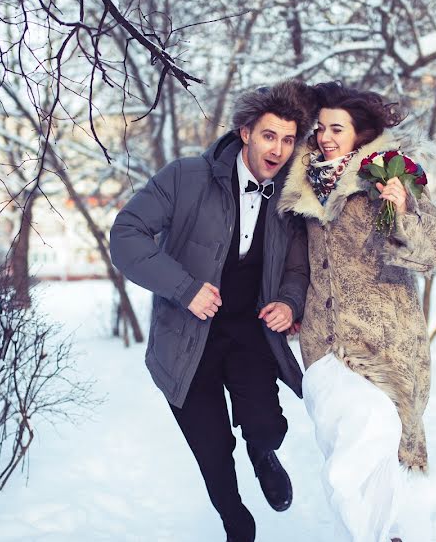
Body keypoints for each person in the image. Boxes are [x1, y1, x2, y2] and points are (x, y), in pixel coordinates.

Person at [110, 80, 313, 542]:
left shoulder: (289, 197)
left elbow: (297, 268)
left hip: (249, 332)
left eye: (287, 139)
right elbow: (126, 235)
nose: (278, 149)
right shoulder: (186, 177)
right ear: (245, 132)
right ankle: (235, 521)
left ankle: (263, 454)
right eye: (269, 136)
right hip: (187, 337)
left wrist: (289, 301)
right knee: (213, 449)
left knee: (267, 424)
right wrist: (184, 288)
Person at [278, 81, 436, 542]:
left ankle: (387, 535)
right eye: (319, 128)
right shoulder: (300, 188)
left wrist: (400, 214)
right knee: (348, 464)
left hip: (386, 348)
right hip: (324, 349)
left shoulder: (388, 178)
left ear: (360, 133)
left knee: (377, 446)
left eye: (337, 128)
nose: (324, 137)